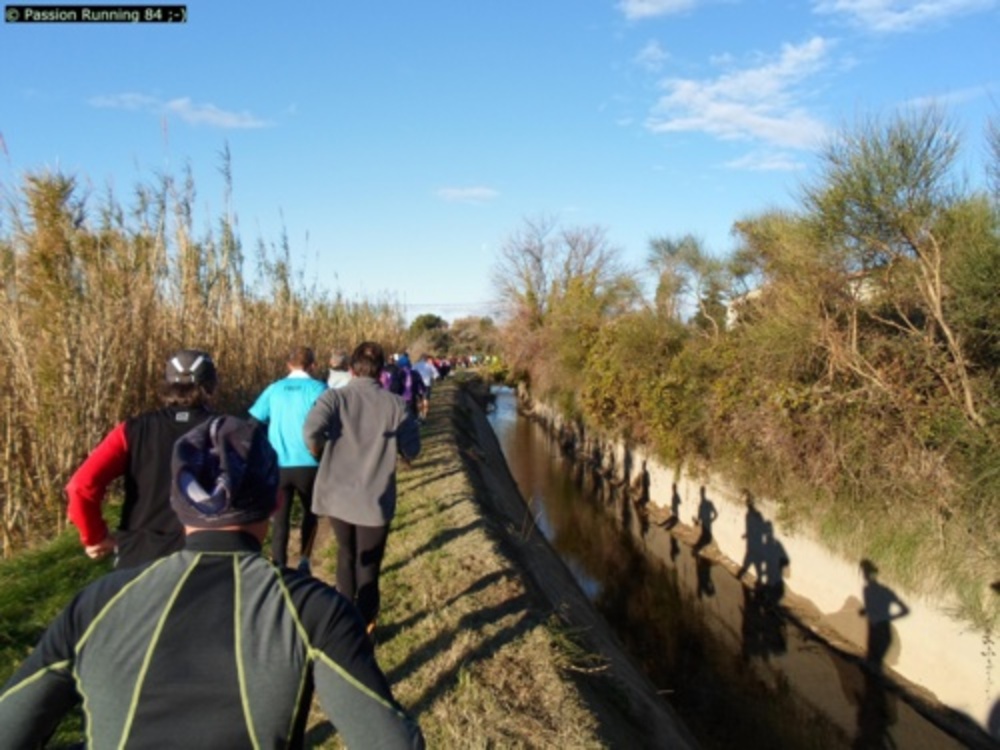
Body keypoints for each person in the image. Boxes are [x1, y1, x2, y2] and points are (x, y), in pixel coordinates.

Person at [0, 415, 425, 749]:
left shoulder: (96, 604)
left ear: (177, 502)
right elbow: (390, 741)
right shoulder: (315, 610)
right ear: (275, 500)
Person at [304, 341, 421, 636]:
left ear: (352, 369)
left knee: (346, 554)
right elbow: (413, 449)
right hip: (375, 498)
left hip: (338, 495)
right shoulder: (397, 405)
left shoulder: (333, 398)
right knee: (368, 565)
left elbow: (310, 431)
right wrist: (402, 452)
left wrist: (317, 451)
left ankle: (344, 624)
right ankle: (366, 626)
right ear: (381, 371)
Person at [65, 349, 218, 568]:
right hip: (208, 556)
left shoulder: (132, 430)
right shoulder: (229, 431)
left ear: (167, 385)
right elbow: (266, 493)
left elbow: (80, 486)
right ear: (211, 385)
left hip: (140, 555)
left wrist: (95, 537)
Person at [249, 346, 327, 572]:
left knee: (280, 519)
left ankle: (279, 566)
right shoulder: (319, 388)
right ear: (313, 365)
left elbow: (253, 423)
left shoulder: (273, 389)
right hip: (310, 463)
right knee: (310, 513)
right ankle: (305, 560)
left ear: (288, 365)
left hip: (279, 464)